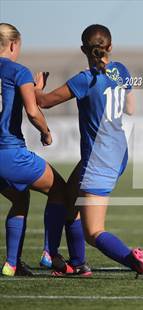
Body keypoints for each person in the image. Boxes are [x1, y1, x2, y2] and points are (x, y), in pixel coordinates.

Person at [34, 24, 143, 280]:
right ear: (110, 47)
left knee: (93, 232)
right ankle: (78, 264)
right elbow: (130, 109)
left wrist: (37, 86)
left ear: (84, 49)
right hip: (117, 153)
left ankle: (134, 260)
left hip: (98, 160)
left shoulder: (84, 80)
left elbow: (43, 102)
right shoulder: (121, 70)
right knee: (69, 198)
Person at [0, 23, 70, 276]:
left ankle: (12, 263)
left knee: (20, 198)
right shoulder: (19, 71)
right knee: (60, 190)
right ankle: (50, 253)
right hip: (9, 152)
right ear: (13, 45)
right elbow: (32, 111)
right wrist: (46, 132)